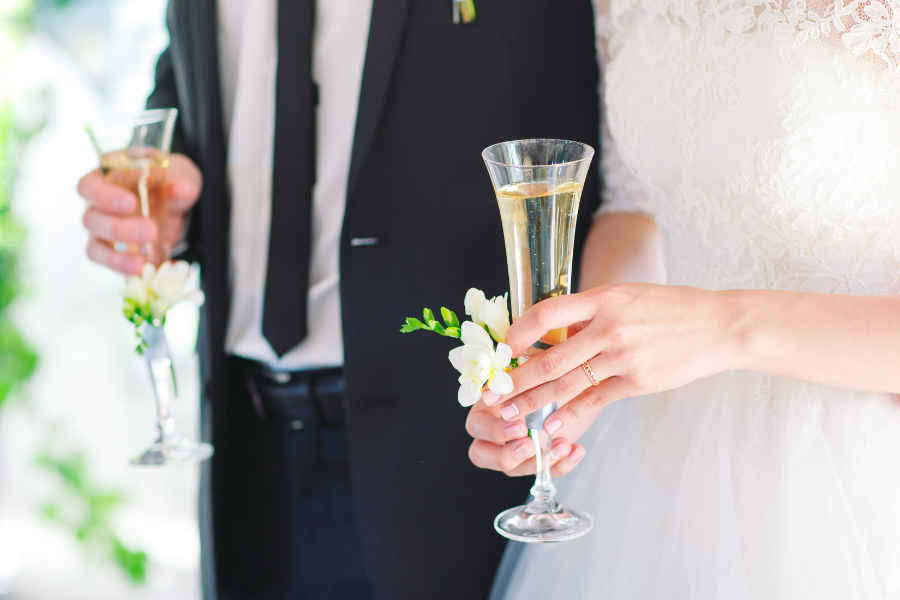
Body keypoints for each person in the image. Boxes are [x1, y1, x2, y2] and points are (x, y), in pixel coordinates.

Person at [77, 0, 603, 598]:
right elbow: (196, 69)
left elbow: (597, 122)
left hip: (458, 459)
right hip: (244, 448)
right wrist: (174, 198)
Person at [469, 0, 900, 596]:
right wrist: (581, 379)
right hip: (662, 466)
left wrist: (723, 326)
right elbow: (635, 206)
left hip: (855, 477)